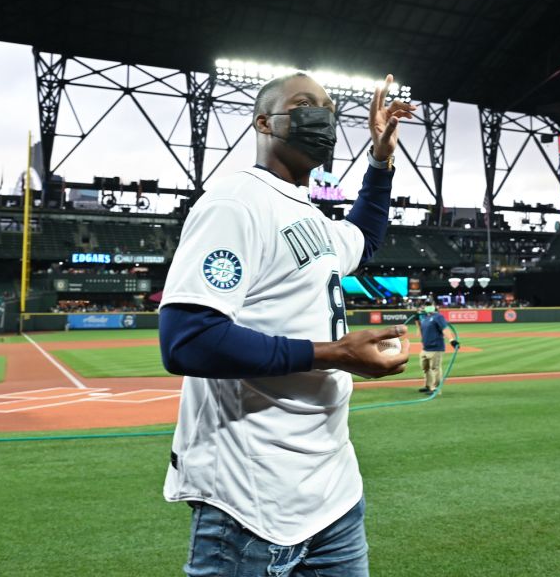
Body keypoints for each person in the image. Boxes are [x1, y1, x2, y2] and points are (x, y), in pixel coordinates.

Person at [157, 71, 417, 576]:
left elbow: (363, 237)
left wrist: (381, 161)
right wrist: (335, 354)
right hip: (250, 501)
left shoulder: (312, 217)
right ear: (264, 121)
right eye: (304, 103)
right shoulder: (234, 202)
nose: (322, 116)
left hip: (334, 493)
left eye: (328, 107)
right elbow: (188, 341)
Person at [416, 303, 458, 394]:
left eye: (428, 305)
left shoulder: (438, 317)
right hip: (425, 348)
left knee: (435, 369)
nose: (426, 307)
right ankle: (428, 386)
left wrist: (451, 340)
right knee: (425, 368)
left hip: (435, 348)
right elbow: (419, 332)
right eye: (425, 305)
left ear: (433, 306)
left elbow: (445, 328)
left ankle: (436, 389)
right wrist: (417, 320)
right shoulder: (425, 318)